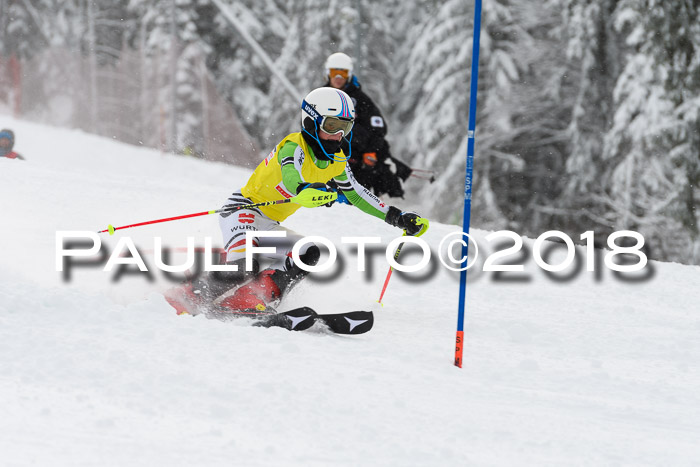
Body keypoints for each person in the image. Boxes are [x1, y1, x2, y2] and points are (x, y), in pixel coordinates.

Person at [166, 87, 427, 316]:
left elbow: (357, 194)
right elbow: (292, 177)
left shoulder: (336, 160)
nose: (338, 135)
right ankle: (188, 295)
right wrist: (304, 189)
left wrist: (396, 217)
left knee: (309, 252)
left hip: (268, 223)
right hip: (244, 210)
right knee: (246, 264)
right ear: (312, 123)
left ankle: (249, 299)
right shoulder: (294, 146)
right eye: (332, 126)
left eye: (344, 128)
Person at [323, 52, 412, 198]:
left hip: (354, 162)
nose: (338, 78)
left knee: (351, 201)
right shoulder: (321, 96)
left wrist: (371, 151)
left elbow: (379, 129)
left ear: (349, 75)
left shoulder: (360, 99)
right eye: (334, 72)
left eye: (343, 73)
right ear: (328, 74)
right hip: (326, 158)